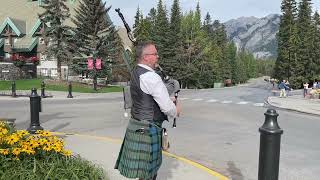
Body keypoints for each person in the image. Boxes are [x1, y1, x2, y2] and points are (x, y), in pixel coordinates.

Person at [115, 41, 180, 180]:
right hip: (149, 128)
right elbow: (167, 108)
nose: (158, 56)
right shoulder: (151, 77)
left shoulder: (136, 72)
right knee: (149, 175)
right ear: (146, 57)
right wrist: (176, 109)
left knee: (143, 174)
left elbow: (147, 97)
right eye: (155, 54)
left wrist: (168, 100)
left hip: (137, 124)